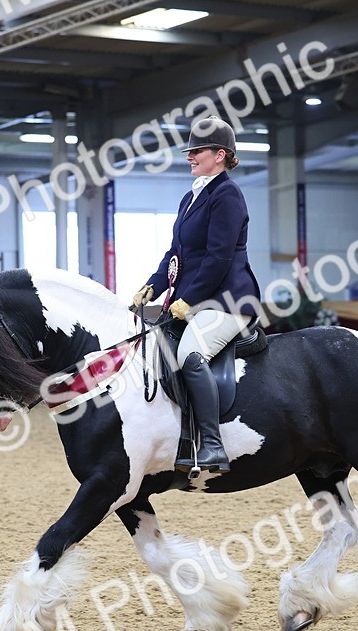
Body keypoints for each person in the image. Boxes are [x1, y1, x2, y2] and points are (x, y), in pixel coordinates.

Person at [130, 116, 261, 474]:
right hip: (197, 298)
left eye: (197, 151)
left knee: (190, 353)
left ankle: (213, 444)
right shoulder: (191, 197)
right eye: (190, 151)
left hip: (229, 300)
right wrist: (153, 285)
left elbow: (219, 257)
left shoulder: (227, 194)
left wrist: (189, 299)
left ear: (220, 155)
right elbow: (177, 254)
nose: (190, 157)